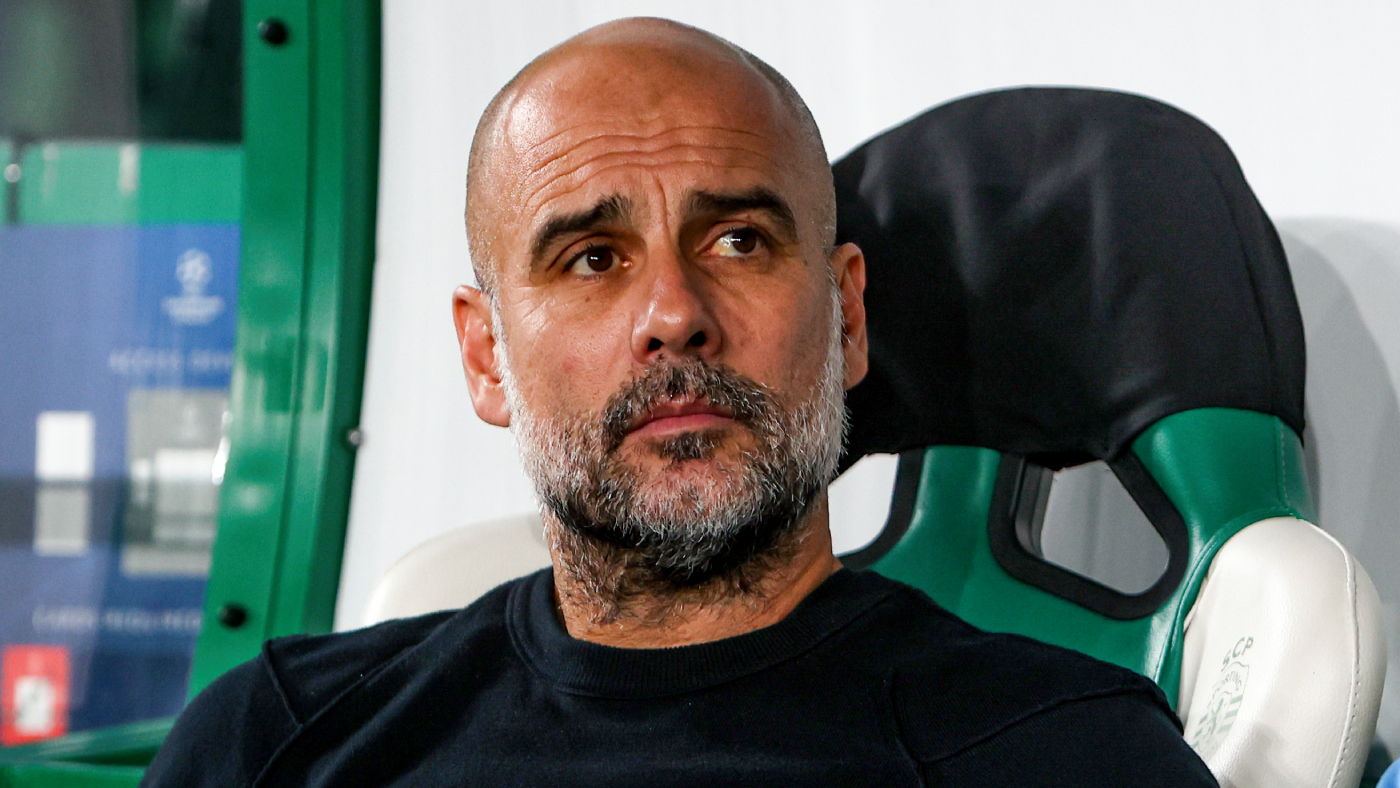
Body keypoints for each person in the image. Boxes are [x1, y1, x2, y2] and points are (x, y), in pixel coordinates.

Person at [143, 18, 1218, 787]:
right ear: (485, 356)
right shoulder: (275, 738)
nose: (673, 313)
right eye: (591, 256)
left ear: (846, 316)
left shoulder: (1061, 752)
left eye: (738, 240)